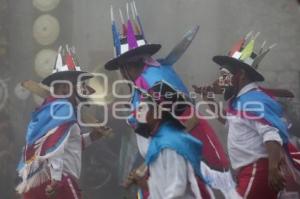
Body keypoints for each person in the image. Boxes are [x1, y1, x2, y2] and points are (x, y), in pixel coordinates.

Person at [105, 4, 237, 199]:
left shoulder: (154, 81)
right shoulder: (143, 82)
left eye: (122, 69)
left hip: (186, 158)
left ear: (126, 68)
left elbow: (189, 118)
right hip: (164, 158)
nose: (122, 74)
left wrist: (166, 152)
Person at [193, 32, 300, 198]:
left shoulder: (253, 100)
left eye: (224, 76)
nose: (220, 81)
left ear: (241, 75)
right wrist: (208, 98)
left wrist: (272, 168)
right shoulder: (243, 100)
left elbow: (272, 133)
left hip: (258, 171)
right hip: (250, 172)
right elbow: (226, 120)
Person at [16, 46, 110, 199]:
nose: (85, 89)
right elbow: (54, 149)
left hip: (35, 182)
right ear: (65, 87)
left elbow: (67, 145)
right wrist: (56, 180)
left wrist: (92, 137)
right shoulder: (63, 112)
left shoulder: (50, 111)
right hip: (56, 181)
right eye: (79, 83)